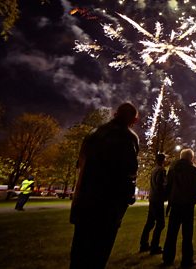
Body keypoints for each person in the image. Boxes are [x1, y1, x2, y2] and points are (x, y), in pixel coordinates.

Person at [70, 102, 139, 269]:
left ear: (115, 114)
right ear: (133, 120)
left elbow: (80, 164)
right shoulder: (129, 138)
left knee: (79, 251)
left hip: (85, 201)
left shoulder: (93, 134)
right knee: (98, 253)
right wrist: (128, 198)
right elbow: (129, 173)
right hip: (108, 205)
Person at [162, 148, 196, 267]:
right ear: (191, 158)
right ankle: (187, 260)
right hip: (188, 206)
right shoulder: (194, 170)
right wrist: (194, 199)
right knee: (187, 234)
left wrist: (170, 198)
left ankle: (167, 258)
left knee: (171, 232)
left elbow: (167, 185)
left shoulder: (173, 168)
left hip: (175, 204)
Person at [139, 153, 167, 255]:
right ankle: (154, 247)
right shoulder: (161, 170)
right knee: (160, 223)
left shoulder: (154, 170)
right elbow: (161, 184)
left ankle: (144, 244)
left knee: (150, 222)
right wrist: (165, 194)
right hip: (158, 199)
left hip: (152, 198)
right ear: (163, 160)